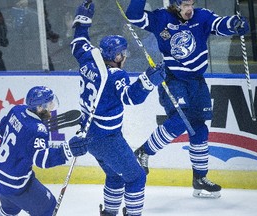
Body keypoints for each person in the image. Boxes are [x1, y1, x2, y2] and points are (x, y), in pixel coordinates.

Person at [125, 0, 250, 198]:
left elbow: (220, 25)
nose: (189, 9)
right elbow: (133, 16)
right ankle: (144, 151)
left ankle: (199, 178)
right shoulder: (161, 18)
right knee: (180, 121)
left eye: (191, 3)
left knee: (199, 128)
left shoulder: (202, 16)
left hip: (197, 82)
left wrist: (234, 24)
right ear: (175, 5)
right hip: (173, 80)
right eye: (184, 5)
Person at [70, 1, 166, 215]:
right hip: (107, 138)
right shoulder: (115, 75)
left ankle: (110, 213)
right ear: (115, 57)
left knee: (115, 175)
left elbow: (78, 42)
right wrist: (149, 81)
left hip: (88, 135)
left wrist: (83, 20)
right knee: (136, 176)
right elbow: (131, 98)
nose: (125, 57)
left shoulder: (89, 59)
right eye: (124, 53)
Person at [0, 86, 87, 215]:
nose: (52, 106)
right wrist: (67, 150)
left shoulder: (17, 110)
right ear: (39, 108)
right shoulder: (38, 130)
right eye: (49, 104)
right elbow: (42, 160)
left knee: (10, 209)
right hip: (13, 181)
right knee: (48, 208)